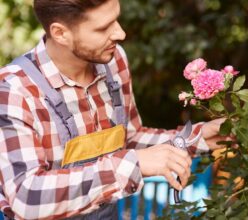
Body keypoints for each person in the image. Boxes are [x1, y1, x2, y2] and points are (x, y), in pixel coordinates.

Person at [0, 0, 225, 219]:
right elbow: (25, 197)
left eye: (116, 20)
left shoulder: (114, 61)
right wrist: (132, 164)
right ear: (60, 33)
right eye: (103, 28)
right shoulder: (15, 89)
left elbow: (130, 138)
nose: (120, 34)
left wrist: (197, 138)